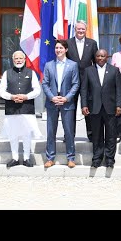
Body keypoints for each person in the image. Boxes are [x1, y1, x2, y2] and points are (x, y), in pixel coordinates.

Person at [0, 51, 43, 168]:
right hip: (12, 108)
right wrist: (11, 97)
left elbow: (37, 90)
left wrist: (26, 96)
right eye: (16, 58)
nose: (18, 60)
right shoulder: (7, 73)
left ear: (24, 60)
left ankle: (27, 158)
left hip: (26, 108)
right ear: (13, 60)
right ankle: (15, 158)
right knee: (13, 134)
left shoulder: (31, 73)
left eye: (20, 58)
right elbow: (1, 90)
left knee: (26, 133)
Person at [81, 49, 121, 168]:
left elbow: (119, 90)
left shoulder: (114, 70)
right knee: (96, 135)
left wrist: (119, 105)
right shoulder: (88, 71)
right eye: (98, 56)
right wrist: (84, 105)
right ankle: (97, 158)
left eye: (103, 56)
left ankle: (110, 159)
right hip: (94, 107)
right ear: (95, 57)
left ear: (107, 58)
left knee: (111, 135)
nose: (100, 58)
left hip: (110, 108)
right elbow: (84, 89)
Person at [41, 39, 80, 168]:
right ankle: (50, 158)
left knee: (69, 131)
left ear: (66, 50)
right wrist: (52, 97)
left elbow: (75, 84)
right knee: (51, 131)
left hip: (67, 103)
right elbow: (45, 83)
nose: (58, 50)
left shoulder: (73, 65)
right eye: (56, 48)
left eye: (61, 48)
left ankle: (71, 158)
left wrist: (66, 98)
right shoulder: (49, 65)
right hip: (52, 103)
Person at [66, 20, 98, 141]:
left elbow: (96, 63)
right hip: (71, 81)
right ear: (75, 29)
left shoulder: (92, 43)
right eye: (78, 29)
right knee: (70, 109)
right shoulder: (68, 43)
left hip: (88, 81)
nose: (80, 31)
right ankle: (69, 135)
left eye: (83, 29)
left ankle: (91, 135)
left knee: (88, 108)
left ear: (86, 30)